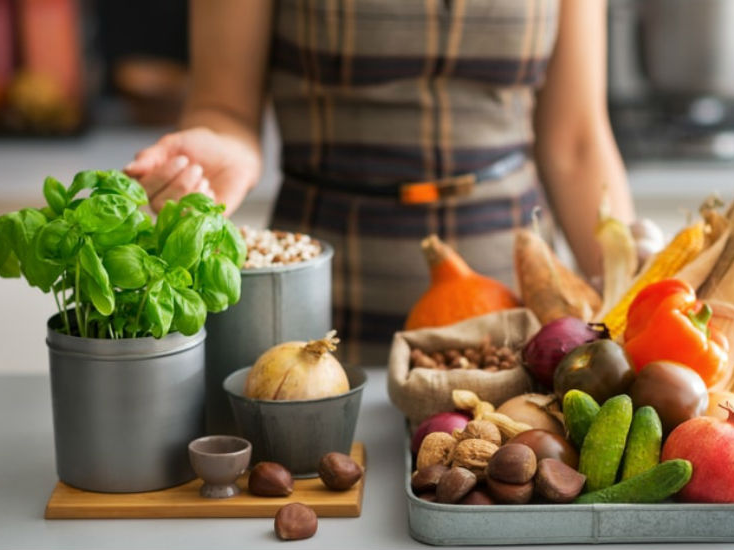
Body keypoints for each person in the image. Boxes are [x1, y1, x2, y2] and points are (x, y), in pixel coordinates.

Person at [125, 0, 634, 365]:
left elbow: (576, 144)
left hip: (520, 316)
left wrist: (637, 297)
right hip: (320, 309)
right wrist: (221, 152)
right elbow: (225, 108)